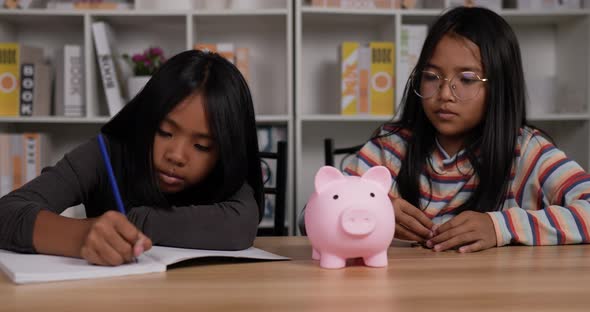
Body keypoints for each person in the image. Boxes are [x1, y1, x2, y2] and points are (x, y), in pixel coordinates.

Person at [344, 6, 590, 252]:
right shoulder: (390, 148)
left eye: (467, 79)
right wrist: (371, 209)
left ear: (499, 87)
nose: (444, 94)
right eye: (431, 76)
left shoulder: (527, 151)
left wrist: (501, 227)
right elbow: (311, 215)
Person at [0, 50, 264, 265]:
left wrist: (137, 222)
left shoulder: (223, 174)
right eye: (164, 132)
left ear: (226, 151)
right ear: (145, 119)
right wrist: (81, 236)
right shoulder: (106, 153)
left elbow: (242, 223)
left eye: (202, 146)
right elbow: (6, 213)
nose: (176, 155)